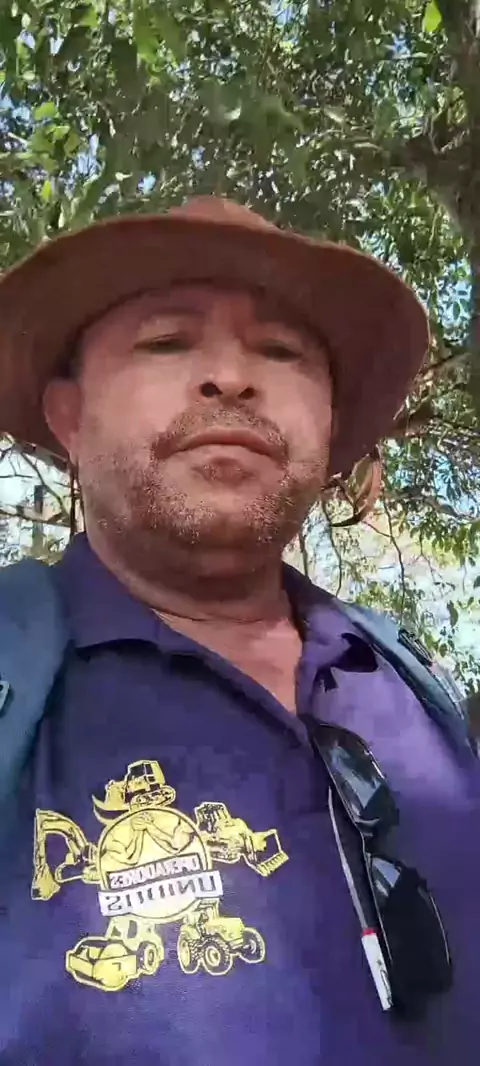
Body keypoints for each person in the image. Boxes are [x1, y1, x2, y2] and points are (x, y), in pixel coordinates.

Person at [0, 195, 478, 1066]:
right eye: (166, 341)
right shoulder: (18, 677)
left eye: (282, 351)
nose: (230, 376)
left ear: (328, 424)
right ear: (69, 417)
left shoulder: (404, 676)